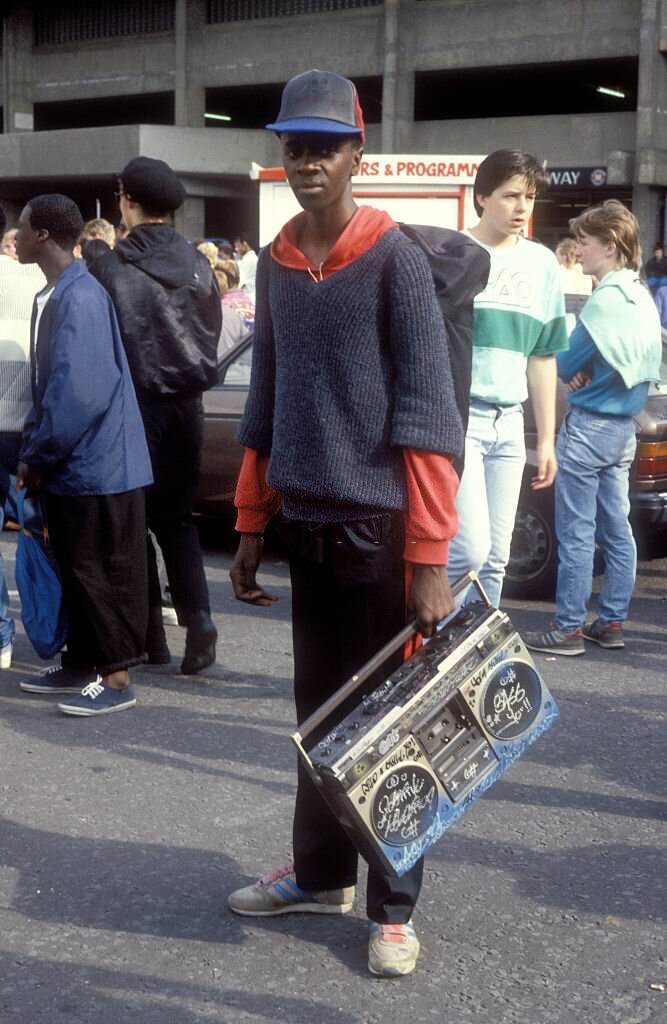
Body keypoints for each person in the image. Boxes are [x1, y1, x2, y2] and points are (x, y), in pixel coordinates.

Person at [226, 69, 463, 979]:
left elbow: (427, 415)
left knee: (388, 724)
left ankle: (393, 905)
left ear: (357, 153)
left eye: (325, 145)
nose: (308, 160)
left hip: (380, 529)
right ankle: (320, 875)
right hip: (309, 525)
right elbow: (267, 397)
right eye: (294, 145)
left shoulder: (394, 257)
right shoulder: (278, 258)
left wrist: (428, 555)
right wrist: (251, 521)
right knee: (317, 718)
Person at [15, 194, 153, 715]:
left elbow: (81, 392)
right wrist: (37, 448)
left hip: (99, 466)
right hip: (77, 464)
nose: (17, 234)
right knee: (75, 566)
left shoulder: (80, 297)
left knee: (100, 570)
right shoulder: (57, 293)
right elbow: (48, 385)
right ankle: (82, 663)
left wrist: (40, 453)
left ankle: (116, 679)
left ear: (44, 236)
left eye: (23, 227)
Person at [90, 157, 221, 675]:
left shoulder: (112, 265)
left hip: (135, 405)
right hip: (189, 405)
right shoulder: (199, 263)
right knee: (178, 521)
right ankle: (200, 617)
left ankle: (148, 636)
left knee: (131, 521)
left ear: (127, 201)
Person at [525, 200, 662, 656]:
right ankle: (612, 622)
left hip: (588, 428)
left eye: (584, 242)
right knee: (618, 530)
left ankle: (567, 629)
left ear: (611, 245)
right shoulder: (639, 295)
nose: (578, 250)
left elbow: (560, 360)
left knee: (578, 533)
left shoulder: (604, 301)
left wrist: (574, 369)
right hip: (624, 427)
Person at [446, 149, 568, 608]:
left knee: (497, 557)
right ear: (481, 197)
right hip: (462, 421)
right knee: (469, 551)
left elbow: (542, 357)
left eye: (530, 197)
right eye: (510, 195)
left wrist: (549, 441)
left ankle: (475, 657)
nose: (521, 208)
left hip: (510, 425)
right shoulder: (452, 253)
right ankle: (443, 655)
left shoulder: (543, 265)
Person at [0, 205, 46, 667]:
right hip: (28, 426)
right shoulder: (31, 280)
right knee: (39, 530)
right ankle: (50, 632)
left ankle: (0, 638)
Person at [233, 231, 258, 301]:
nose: (236, 250)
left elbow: (240, 282)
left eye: (238, 246)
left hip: (248, 298)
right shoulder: (247, 258)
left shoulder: (249, 260)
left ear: (245, 244)